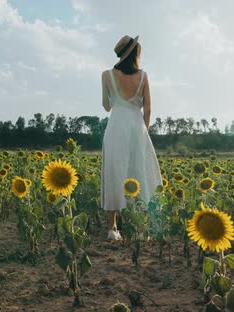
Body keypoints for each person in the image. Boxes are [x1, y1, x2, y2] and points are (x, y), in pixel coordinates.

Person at [100, 35, 163, 240]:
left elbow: (106, 106)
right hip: (137, 127)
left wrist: (117, 99)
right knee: (140, 172)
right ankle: (142, 229)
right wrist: (143, 131)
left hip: (116, 125)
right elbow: (148, 108)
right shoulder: (143, 76)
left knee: (114, 172)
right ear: (135, 53)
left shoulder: (106, 75)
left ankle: (113, 228)